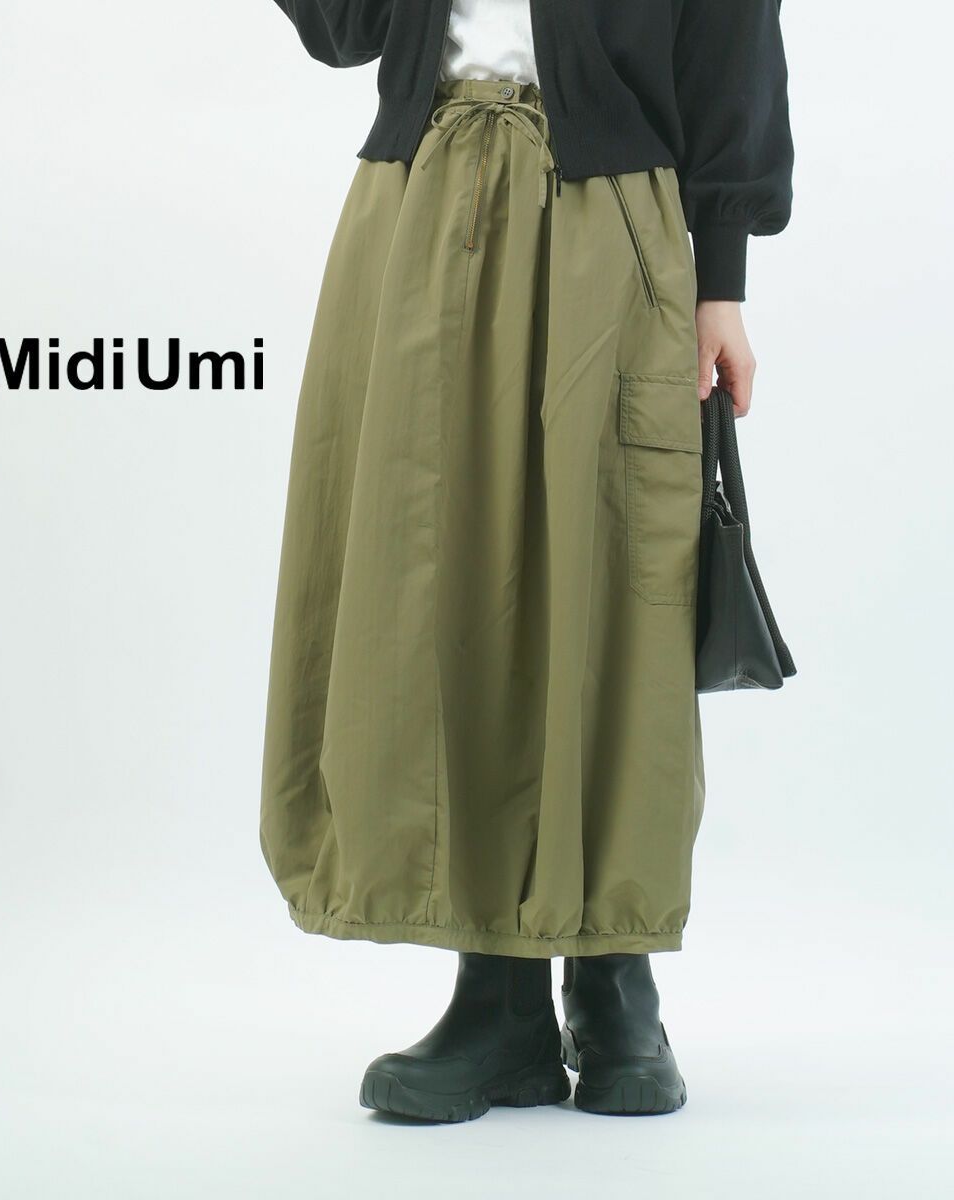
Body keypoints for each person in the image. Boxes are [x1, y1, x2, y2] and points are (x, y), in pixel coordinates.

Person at [260, 0, 793, 1121]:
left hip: (611, 211)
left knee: (612, 586)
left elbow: (730, 36)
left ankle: (615, 986)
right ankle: (498, 1001)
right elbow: (345, 29)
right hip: (420, 197)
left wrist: (721, 283)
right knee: (445, 578)